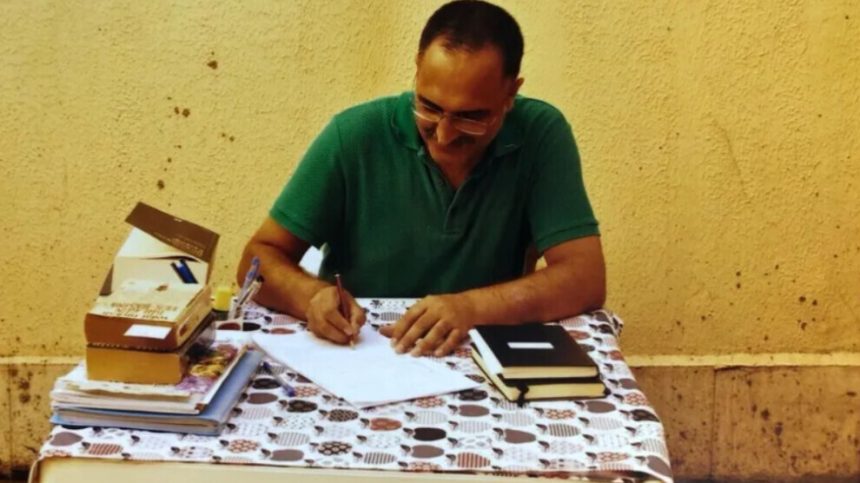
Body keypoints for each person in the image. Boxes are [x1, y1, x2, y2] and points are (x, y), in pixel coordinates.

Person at [238, 0, 605, 357]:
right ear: (416, 70)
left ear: (511, 93)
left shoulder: (540, 135)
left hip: (483, 355)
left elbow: (584, 278)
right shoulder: (354, 136)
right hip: (362, 351)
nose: (444, 135)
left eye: (470, 117)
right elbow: (259, 258)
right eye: (429, 107)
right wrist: (312, 297)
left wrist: (472, 307)